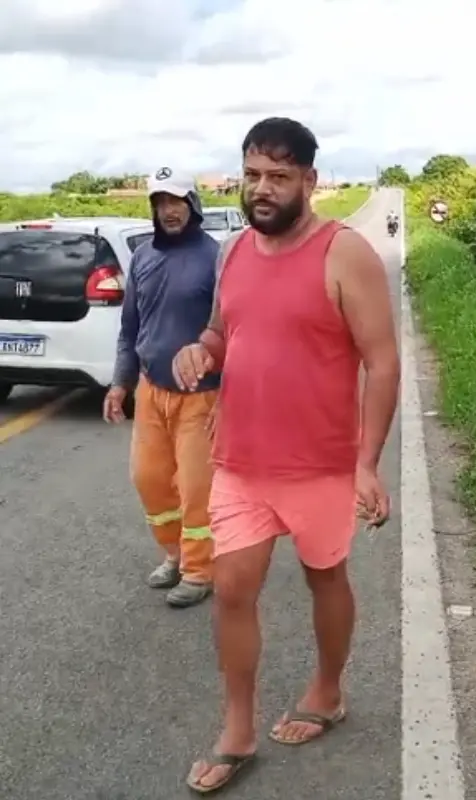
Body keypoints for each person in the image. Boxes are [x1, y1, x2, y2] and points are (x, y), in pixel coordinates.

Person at [175, 117, 400, 794]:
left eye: (277, 177)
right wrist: (200, 350)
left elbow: (382, 363)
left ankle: (327, 691)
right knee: (233, 593)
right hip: (240, 461)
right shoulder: (235, 251)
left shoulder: (345, 253)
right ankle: (237, 731)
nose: (261, 190)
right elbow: (221, 328)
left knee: (324, 579)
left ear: (310, 179)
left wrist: (367, 463)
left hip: (322, 467)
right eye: (251, 176)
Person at [104, 166, 220, 609]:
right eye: (160, 203)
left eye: (176, 201)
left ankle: (199, 570)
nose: (169, 211)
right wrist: (120, 383)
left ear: (193, 203)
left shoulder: (216, 258)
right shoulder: (144, 258)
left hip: (200, 394)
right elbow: (130, 327)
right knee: (149, 479)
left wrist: (228, 392)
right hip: (151, 392)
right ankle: (173, 556)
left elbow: (233, 331)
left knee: (195, 488)